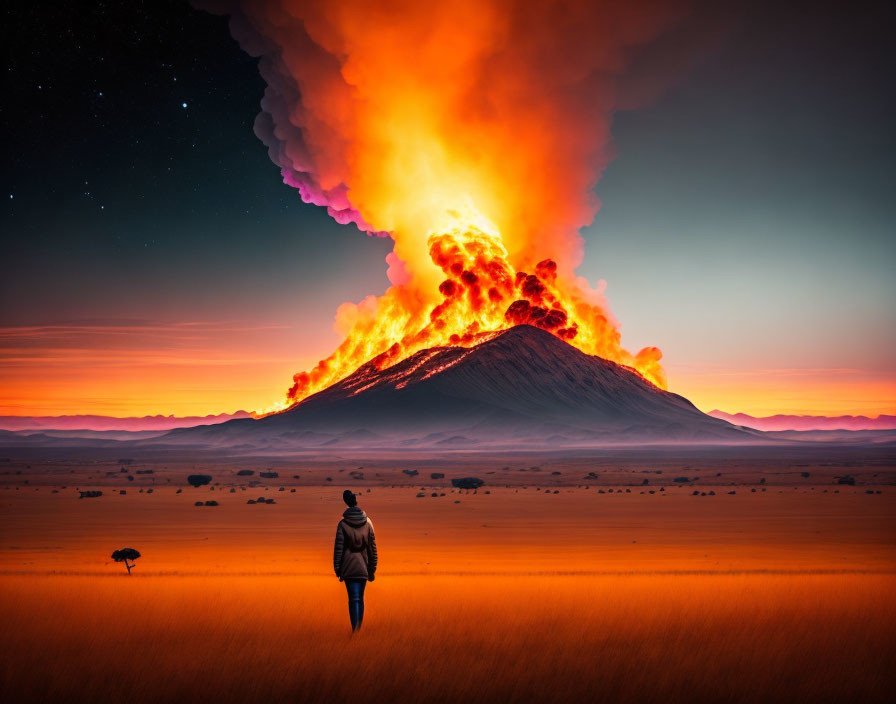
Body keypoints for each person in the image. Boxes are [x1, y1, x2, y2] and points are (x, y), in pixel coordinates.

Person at [333, 489, 377, 632]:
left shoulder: (342, 524)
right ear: (356, 502)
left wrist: (337, 569)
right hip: (363, 566)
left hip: (348, 567)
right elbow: (372, 549)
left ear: (346, 503)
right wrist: (372, 569)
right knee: (360, 599)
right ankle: (359, 629)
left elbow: (338, 548)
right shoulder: (368, 522)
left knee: (353, 599)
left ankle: (355, 630)